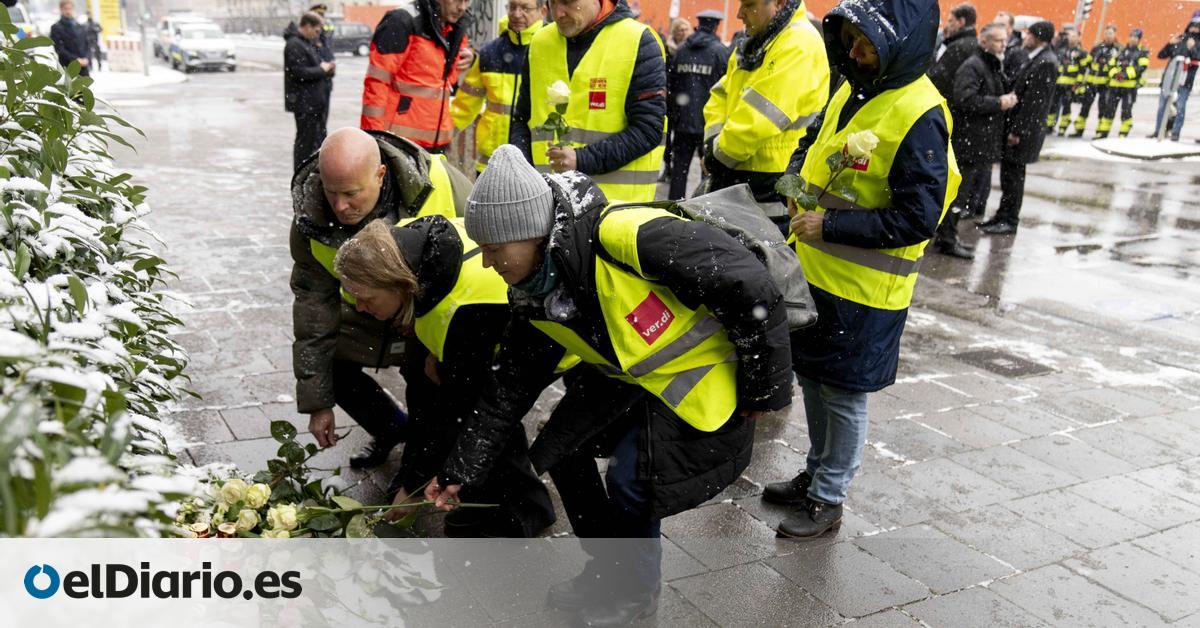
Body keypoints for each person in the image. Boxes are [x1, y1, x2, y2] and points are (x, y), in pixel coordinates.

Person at [426, 145, 792, 625]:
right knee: (563, 453)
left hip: (706, 379)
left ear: (530, 234)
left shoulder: (624, 236)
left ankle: (635, 591)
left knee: (631, 480)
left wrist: (766, 391)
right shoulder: (535, 291)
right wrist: (461, 469)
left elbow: (749, 284)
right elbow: (508, 389)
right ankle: (608, 568)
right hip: (631, 381)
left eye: (495, 249)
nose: (490, 263)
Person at [766, 0, 960, 538]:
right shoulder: (854, 88)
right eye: (849, 38)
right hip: (815, 277)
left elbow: (918, 217)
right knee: (813, 380)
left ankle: (828, 499)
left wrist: (829, 227)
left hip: (865, 292)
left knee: (844, 395)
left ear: (900, 43)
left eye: (865, 43)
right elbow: (813, 146)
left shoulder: (920, 113)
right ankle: (814, 475)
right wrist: (793, 188)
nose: (853, 52)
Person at [332, 217, 556, 537]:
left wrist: (412, 487)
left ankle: (525, 509)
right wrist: (414, 475)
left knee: (483, 414)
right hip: (477, 334)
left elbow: (453, 409)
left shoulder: (464, 308)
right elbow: (423, 397)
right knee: (424, 384)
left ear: (401, 284)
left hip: (550, 343)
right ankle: (431, 476)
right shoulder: (405, 245)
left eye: (367, 298)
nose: (360, 307)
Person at [290, 128, 472, 473]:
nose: (340, 206)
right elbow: (312, 306)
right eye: (332, 192)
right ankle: (391, 429)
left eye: (351, 193)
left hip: (429, 315)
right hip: (364, 313)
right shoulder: (309, 216)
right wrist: (318, 403)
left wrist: (442, 343)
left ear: (381, 174)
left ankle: (421, 469)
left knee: (428, 386)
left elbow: (485, 252)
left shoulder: (442, 183)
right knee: (330, 370)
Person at [510, 0, 668, 204]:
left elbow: (649, 129)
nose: (558, 13)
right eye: (552, 3)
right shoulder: (540, 42)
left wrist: (583, 159)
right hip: (548, 203)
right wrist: (522, 171)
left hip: (615, 210)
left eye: (567, 2)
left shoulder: (638, 40)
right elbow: (522, 119)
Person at [702, 0, 829, 216]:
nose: (739, 15)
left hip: (770, 178)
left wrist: (716, 155)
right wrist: (713, 145)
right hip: (741, 171)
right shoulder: (758, 39)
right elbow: (721, 93)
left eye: (749, 5)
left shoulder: (799, 43)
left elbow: (759, 120)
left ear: (779, 3)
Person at [934, 23, 1015, 259]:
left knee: (962, 192)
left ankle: (948, 235)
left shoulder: (990, 65)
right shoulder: (974, 66)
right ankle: (947, 238)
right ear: (984, 42)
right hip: (968, 141)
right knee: (957, 194)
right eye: (999, 40)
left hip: (978, 142)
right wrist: (998, 102)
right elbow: (965, 99)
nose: (1003, 45)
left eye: (1005, 40)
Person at [360, 0, 474, 153]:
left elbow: (444, 82)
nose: (462, 7)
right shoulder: (401, 21)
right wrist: (373, 141)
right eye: (457, 0)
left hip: (437, 144)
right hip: (398, 145)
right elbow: (376, 84)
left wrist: (472, 57)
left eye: (467, 1)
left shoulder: (453, 28)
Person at [449, 0, 547, 173]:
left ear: (543, 11)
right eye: (512, 7)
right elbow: (463, 107)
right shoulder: (490, 52)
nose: (517, 14)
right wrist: (440, 141)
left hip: (535, 164)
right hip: (490, 163)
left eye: (525, 8)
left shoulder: (552, 50)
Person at [980, 21, 1057, 235]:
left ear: (1039, 38)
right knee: (1009, 176)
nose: (1025, 38)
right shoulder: (1036, 59)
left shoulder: (1046, 62)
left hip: (1023, 134)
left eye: (1030, 35)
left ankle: (1009, 219)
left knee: (1014, 178)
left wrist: (1018, 131)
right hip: (1018, 129)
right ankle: (1002, 215)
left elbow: (1035, 104)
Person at [665, 9, 729, 199]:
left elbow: (672, 86)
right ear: (716, 26)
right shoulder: (720, 52)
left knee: (679, 171)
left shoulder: (682, 50)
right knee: (708, 172)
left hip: (683, 121)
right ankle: (702, 209)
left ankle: (674, 208)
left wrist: (675, 116)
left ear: (698, 24)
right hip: (709, 124)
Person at [284, 13, 336, 170]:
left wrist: (326, 68)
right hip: (305, 103)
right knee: (305, 142)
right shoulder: (294, 44)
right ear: (307, 26)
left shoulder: (305, 42)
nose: (317, 34)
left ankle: (311, 170)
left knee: (315, 139)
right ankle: (301, 172)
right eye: (316, 31)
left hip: (313, 102)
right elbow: (298, 72)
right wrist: (322, 69)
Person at [1097, 28, 1149, 139]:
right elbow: (1110, 65)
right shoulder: (1121, 50)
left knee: (1126, 111)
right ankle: (1103, 132)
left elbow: (1141, 68)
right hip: (1114, 86)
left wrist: (1125, 75)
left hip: (1129, 88)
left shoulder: (1142, 52)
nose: (1133, 39)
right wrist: (1116, 74)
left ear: (1139, 39)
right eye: (1131, 36)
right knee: (1109, 110)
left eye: (1135, 37)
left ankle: (1123, 133)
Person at [1154, 17, 1200, 141]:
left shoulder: (1198, 42)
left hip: (1186, 81)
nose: (1194, 29)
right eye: (1193, 26)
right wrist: (1169, 44)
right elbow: (1161, 55)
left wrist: (1193, 48)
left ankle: (1175, 132)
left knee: (1180, 106)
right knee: (1163, 106)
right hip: (1169, 79)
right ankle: (1158, 131)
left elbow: (1197, 57)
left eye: (1198, 26)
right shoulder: (1180, 39)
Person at [1069, 24, 1119, 138]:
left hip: (1105, 84)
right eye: (1106, 33)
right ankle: (1079, 129)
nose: (1108, 36)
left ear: (1115, 35)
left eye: (1110, 33)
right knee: (1085, 107)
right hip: (1091, 82)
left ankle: (1101, 132)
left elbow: (1116, 66)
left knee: (1103, 108)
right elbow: (1088, 62)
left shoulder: (1116, 50)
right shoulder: (1097, 47)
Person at [929, 3, 978, 98]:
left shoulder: (957, 47)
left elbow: (937, 79)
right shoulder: (976, 43)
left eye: (950, 21)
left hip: (949, 102)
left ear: (961, 22)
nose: (947, 25)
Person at [1049, 25, 1088, 135]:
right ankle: (1049, 126)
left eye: (1074, 36)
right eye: (1070, 36)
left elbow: (1082, 70)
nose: (1072, 39)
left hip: (1070, 85)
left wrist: (1078, 84)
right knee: (1053, 105)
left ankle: (1063, 127)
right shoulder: (1061, 50)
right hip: (1058, 83)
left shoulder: (1081, 53)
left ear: (1078, 38)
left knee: (1067, 107)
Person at [50, 1, 90, 77]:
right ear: (61, 9)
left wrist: (87, 58)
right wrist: (75, 60)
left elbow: (87, 45)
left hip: (83, 67)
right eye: (66, 9)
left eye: (70, 9)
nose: (68, 11)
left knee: (84, 88)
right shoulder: (56, 28)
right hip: (67, 66)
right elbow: (59, 48)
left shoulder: (80, 27)